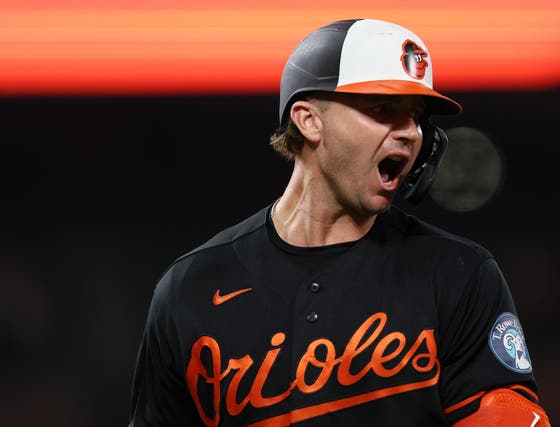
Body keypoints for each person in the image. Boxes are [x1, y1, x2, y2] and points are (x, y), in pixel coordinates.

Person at [128, 19, 550, 426]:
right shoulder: (191, 287)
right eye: (383, 109)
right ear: (309, 120)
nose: (410, 132)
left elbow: (503, 410)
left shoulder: (458, 274)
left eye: (416, 116)